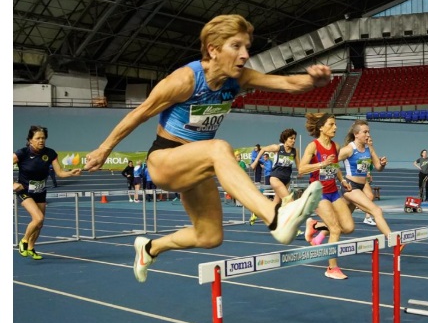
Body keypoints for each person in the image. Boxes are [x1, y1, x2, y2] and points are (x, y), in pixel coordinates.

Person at [83, 14, 328, 283]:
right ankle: (275, 218)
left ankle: (149, 248)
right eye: (236, 46)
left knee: (210, 236)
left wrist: (312, 81)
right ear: (213, 49)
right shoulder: (185, 80)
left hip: (198, 163)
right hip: (165, 159)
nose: (245, 55)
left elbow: (287, 83)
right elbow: (141, 112)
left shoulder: (239, 79)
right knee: (219, 148)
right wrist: (104, 149)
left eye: (247, 47)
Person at [299, 112, 356, 280]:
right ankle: (332, 268)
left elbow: (335, 166)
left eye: (335, 124)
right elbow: (302, 169)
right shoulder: (313, 146)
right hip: (318, 193)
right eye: (331, 124)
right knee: (336, 229)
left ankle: (315, 227)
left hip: (333, 192)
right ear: (321, 127)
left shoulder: (335, 146)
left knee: (348, 227)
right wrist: (321, 164)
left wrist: (342, 180)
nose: (335, 127)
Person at [14, 125, 82, 259]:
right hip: (24, 191)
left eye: (43, 138)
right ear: (30, 140)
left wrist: (71, 173)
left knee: (39, 223)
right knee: (38, 218)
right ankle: (24, 241)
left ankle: (32, 248)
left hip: (40, 191)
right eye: (38, 138)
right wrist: (12, 183)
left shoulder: (50, 153)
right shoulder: (22, 153)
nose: (41, 140)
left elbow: (60, 173)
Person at [338, 119, 394, 238]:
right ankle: (393, 241)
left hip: (361, 186)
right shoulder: (349, 149)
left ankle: (315, 227)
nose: (368, 135)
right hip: (350, 187)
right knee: (376, 211)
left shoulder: (369, 148)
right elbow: (331, 163)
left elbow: (378, 167)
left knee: (341, 224)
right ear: (356, 134)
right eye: (365, 132)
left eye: (368, 132)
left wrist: (382, 164)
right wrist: (341, 180)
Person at [249, 129, 299, 224]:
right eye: (291, 138)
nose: (293, 140)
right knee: (290, 202)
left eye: (294, 139)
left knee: (275, 205)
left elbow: (299, 167)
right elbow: (263, 149)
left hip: (286, 180)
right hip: (276, 178)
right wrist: (255, 162)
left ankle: (257, 213)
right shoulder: (277, 148)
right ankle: (291, 227)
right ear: (285, 139)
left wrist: (306, 170)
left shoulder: (295, 151)